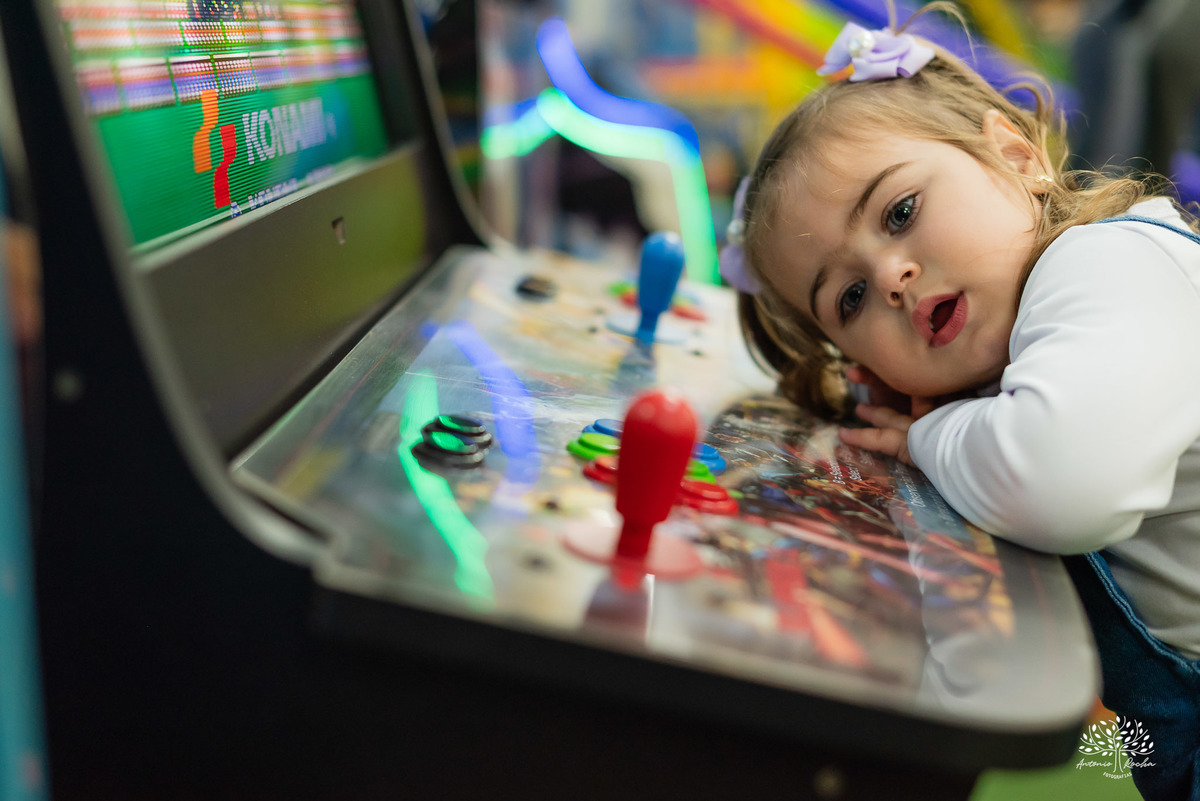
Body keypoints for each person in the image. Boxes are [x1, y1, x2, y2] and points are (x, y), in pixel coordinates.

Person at [720, 10, 1200, 801]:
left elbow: (1060, 478)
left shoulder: (1106, 262)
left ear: (1016, 158)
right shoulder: (1018, 360)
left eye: (900, 211)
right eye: (848, 296)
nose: (891, 275)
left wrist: (926, 436)